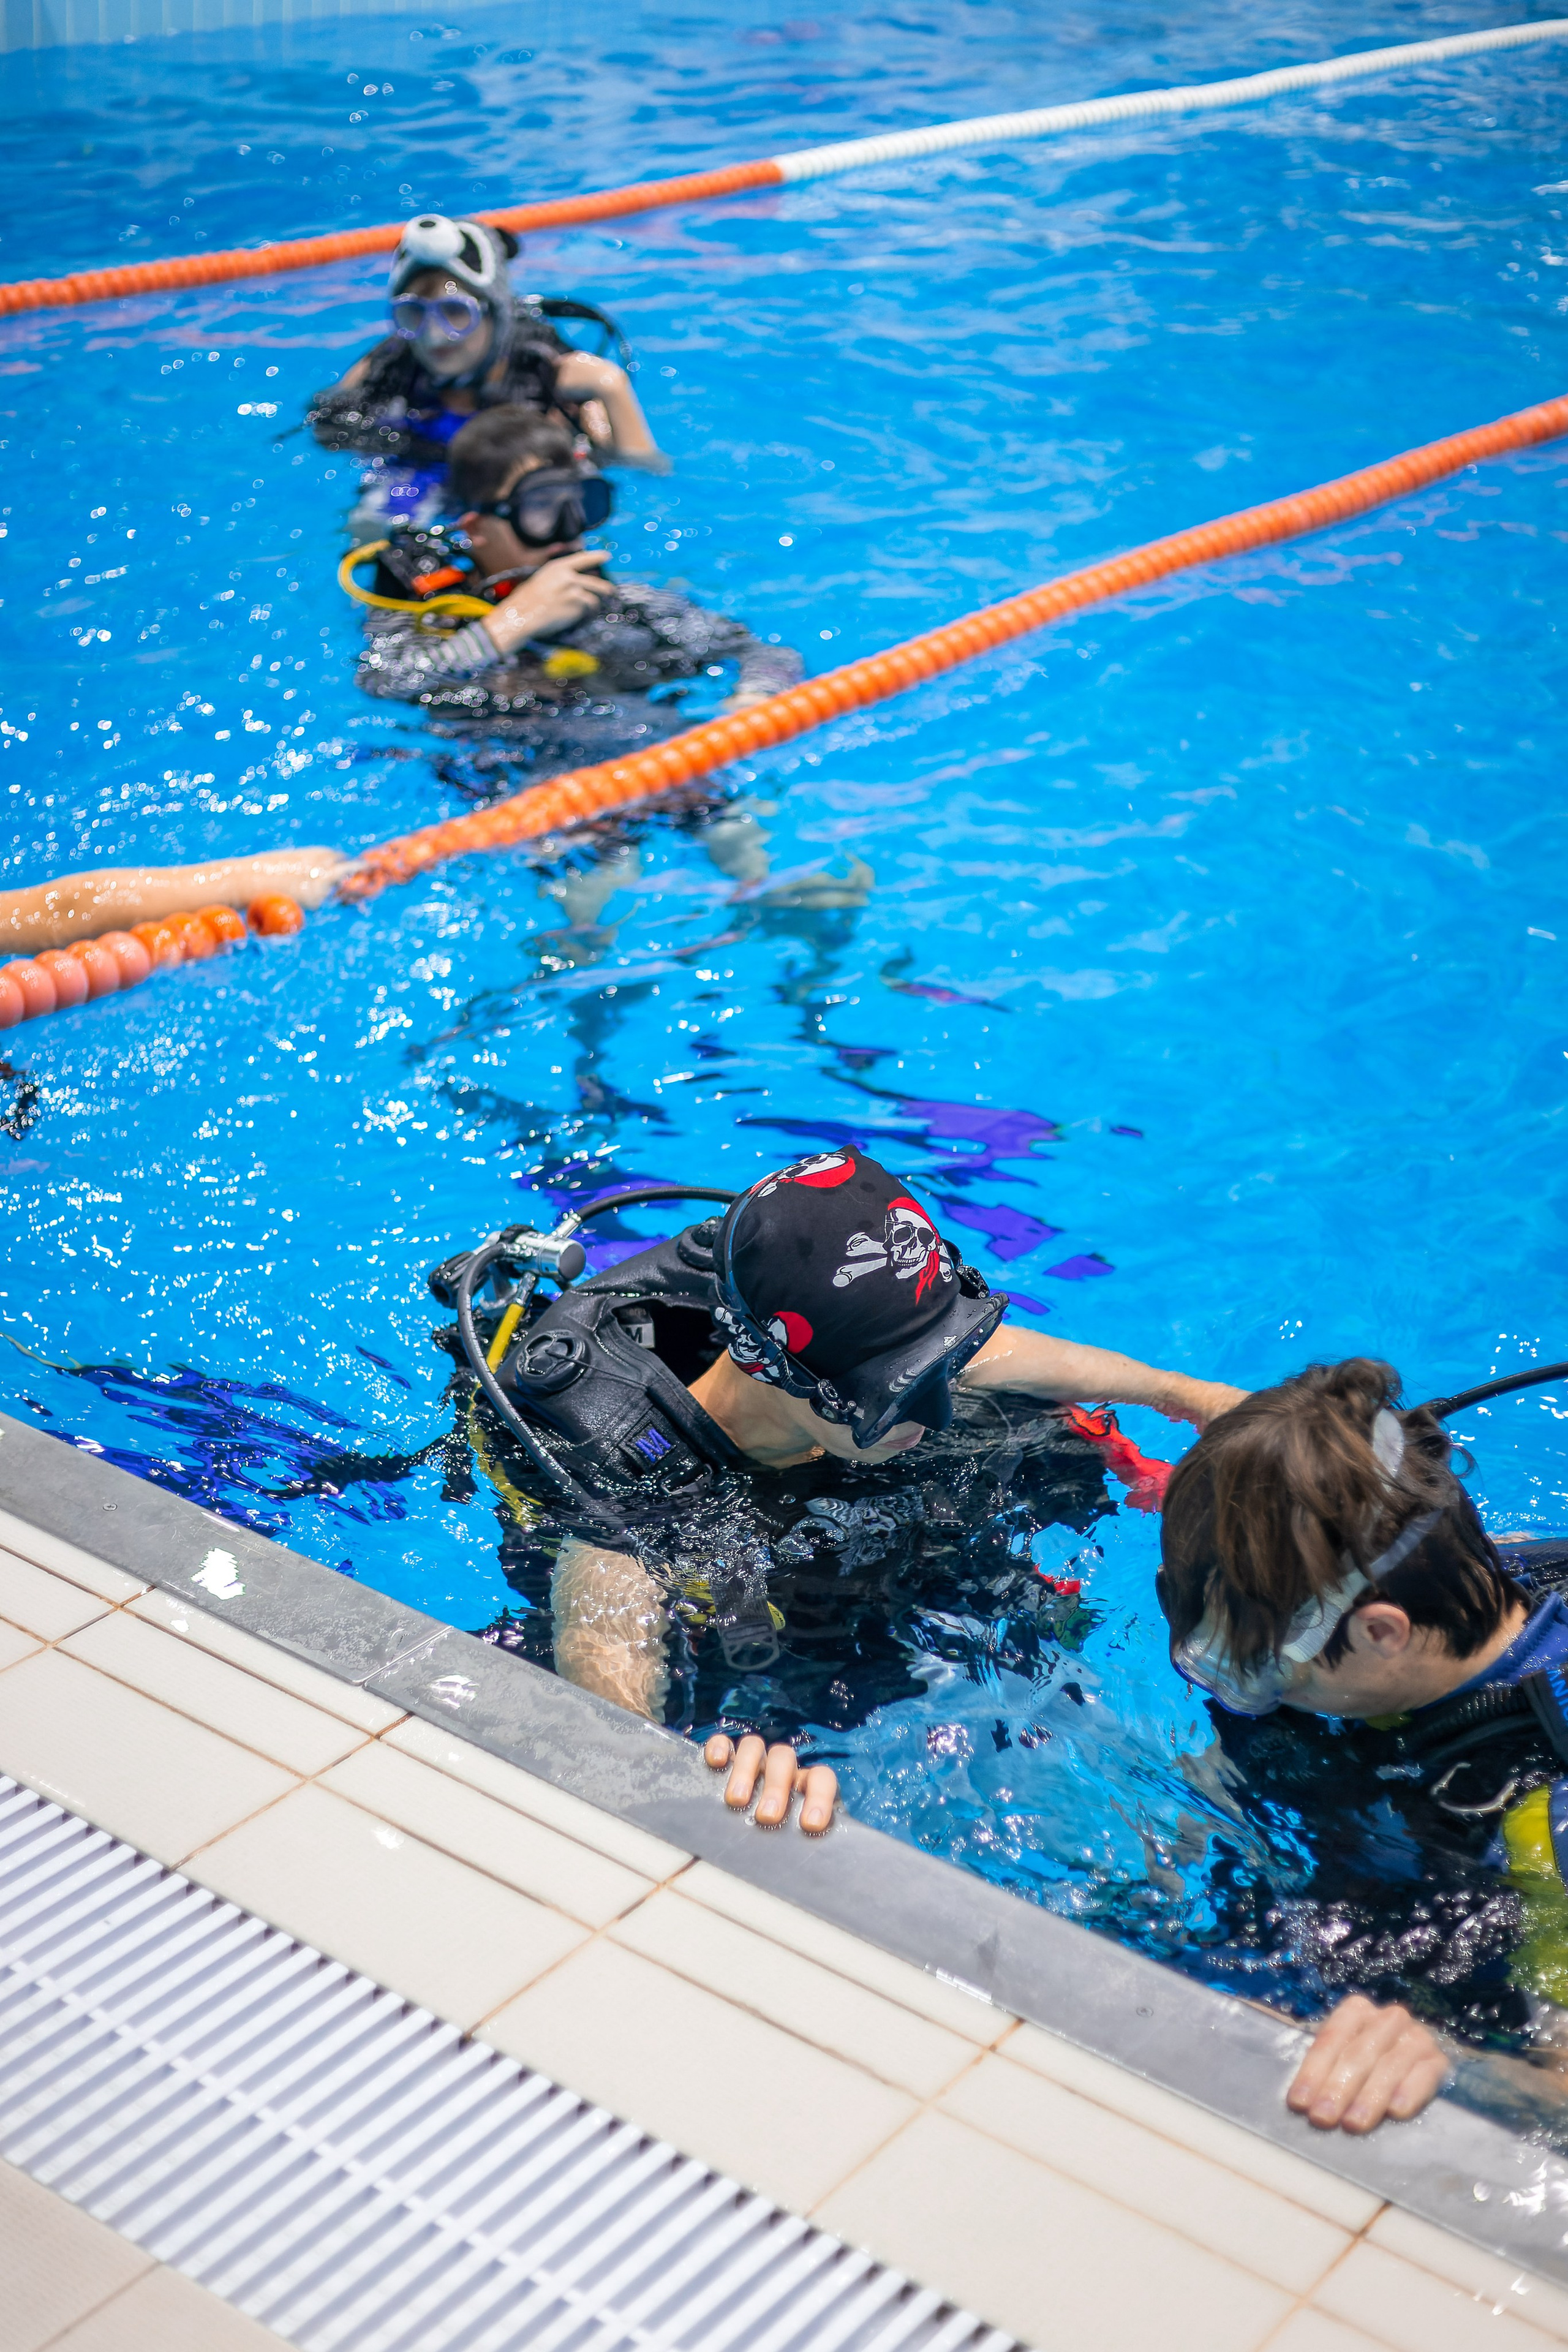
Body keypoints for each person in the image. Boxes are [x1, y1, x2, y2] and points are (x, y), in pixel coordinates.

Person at [431, 1145, 1244, 1840]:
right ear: (773, 1369)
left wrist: (1190, 1395)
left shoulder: (836, 1357)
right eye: (897, 1396)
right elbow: (608, 1663)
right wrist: (672, 1790)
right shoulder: (631, 1463)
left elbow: (999, 1357)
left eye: (938, 1369)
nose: (932, 1411)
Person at [1159, 1355, 1568, 2133]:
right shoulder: (1500, 1566)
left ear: (1382, 1633)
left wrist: (1448, 2063)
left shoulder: (1542, 1819)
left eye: (1271, 1668)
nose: (1260, 1695)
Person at [352, 405, 802, 778]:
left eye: (581, 506)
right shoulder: (428, 610)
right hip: (516, 781)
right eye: (541, 510)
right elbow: (385, 682)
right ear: (477, 529)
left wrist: (751, 701)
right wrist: (514, 622)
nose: (569, 533)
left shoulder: (624, 604)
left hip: (650, 760)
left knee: (745, 843)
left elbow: (764, 653)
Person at [308, 213, 666, 539]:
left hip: (518, 497)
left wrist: (611, 388)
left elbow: (645, 468)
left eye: (455, 312)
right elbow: (328, 420)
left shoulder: (550, 376)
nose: (434, 334)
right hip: (422, 473)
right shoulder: (388, 364)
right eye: (413, 314)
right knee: (368, 529)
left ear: (495, 314)